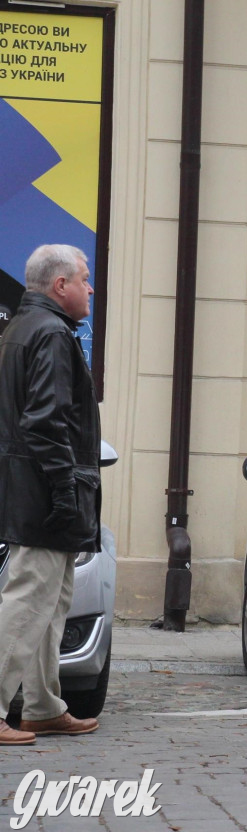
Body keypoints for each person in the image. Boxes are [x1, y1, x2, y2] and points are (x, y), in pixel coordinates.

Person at [0, 244, 102, 746]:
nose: (90, 288)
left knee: (50, 601)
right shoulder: (51, 334)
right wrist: (65, 490)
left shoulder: (23, 329)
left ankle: (42, 706)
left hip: (36, 490)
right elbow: (44, 423)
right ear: (60, 285)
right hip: (45, 494)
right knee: (28, 600)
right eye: (84, 279)